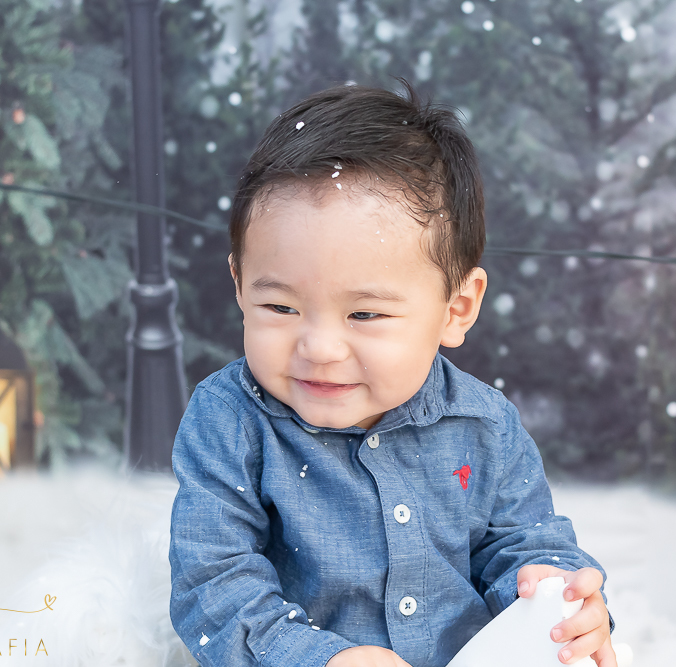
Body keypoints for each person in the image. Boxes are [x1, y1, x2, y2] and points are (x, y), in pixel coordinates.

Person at [168, 81, 615, 667]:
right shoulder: (230, 419)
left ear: (457, 307)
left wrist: (554, 596)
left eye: (365, 314)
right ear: (239, 287)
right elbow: (213, 585)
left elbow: (522, 543)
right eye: (280, 308)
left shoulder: (485, 426)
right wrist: (318, 658)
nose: (321, 348)